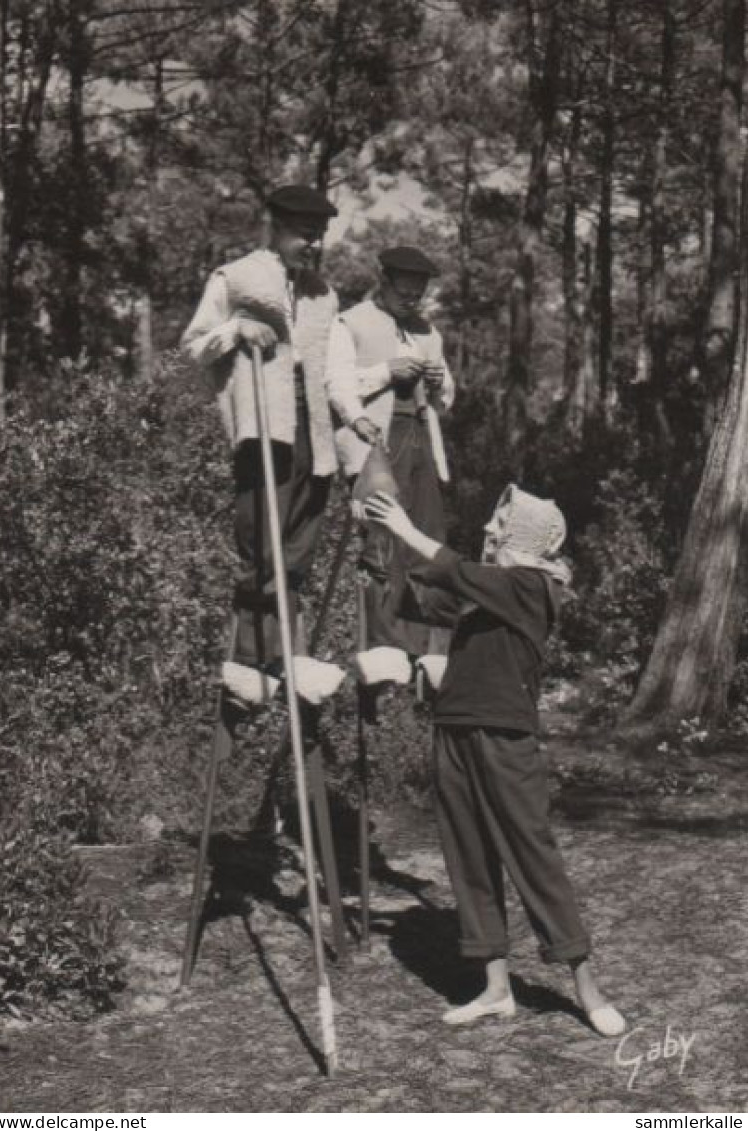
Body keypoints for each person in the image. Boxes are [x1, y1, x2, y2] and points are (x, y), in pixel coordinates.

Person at [364, 484, 626, 1037]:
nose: (488, 531)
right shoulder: (486, 590)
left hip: (505, 739)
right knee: (469, 856)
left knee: (533, 856)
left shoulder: (534, 588)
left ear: (528, 537)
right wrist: (379, 549)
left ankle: (587, 986)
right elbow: (418, 596)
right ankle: (496, 989)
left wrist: (405, 528)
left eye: (499, 525)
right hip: (452, 731)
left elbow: (456, 572)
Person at [182, 185, 340, 686]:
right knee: (260, 540)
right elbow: (192, 347)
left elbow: (331, 365)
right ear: (275, 226)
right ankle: (249, 656)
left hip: (313, 428)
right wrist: (237, 332)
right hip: (264, 427)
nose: (312, 245)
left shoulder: (322, 293)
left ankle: (284, 652)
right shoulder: (235, 277)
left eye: (319, 236)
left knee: (299, 541)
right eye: (304, 234)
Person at [325, 245, 455, 663]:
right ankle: (382, 655)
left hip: (421, 439)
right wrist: (386, 372)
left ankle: (423, 655)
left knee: (426, 540)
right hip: (377, 443)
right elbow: (337, 386)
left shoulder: (428, 331)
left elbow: (446, 399)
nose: (411, 301)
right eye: (404, 293)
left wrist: (436, 382)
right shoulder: (351, 323)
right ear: (384, 283)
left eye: (418, 294)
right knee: (381, 544)